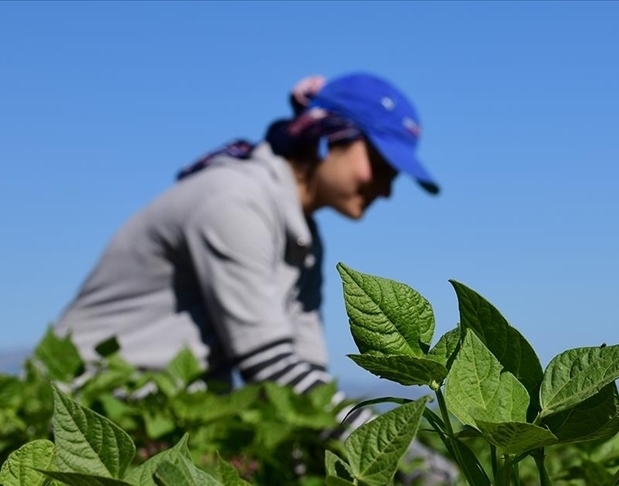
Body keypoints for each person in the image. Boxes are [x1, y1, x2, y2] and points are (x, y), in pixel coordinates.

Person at [53, 72, 456, 484]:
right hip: (90, 409)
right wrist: (410, 464)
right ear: (327, 138)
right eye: (381, 165)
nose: (386, 189)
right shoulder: (233, 201)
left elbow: (305, 382)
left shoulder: (302, 237)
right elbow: (270, 365)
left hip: (163, 418)